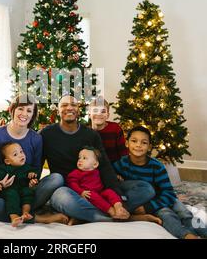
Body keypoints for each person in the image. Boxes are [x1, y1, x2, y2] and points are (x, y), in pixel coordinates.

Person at [40, 95, 156, 223]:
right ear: (58, 110)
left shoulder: (91, 134)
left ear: (79, 110)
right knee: (62, 198)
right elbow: (37, 164)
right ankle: (125, 217)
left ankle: (106, 212)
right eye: (64, 105)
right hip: (70, 191)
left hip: (97, 187)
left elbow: (105, 165)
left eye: (73, 105)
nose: (69, 108)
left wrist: (117, 200)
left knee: (146, 188)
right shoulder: (47, 134)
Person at [0, 95, 65, 222]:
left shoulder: (36, 139)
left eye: (29, 111)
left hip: (26, 191)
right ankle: (35, 217)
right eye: (20, 109)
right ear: (12, 110)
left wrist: (32, 180)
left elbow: (36, 169)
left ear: (33, 115)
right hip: (4, 192)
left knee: (57, 178)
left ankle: (16, 212)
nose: (24, 114)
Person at [113, 126, 207, 239]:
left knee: (184, 212)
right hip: (150, 203)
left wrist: (148, 207)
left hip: (162, 198)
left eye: (144, 142)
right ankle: (187, 235)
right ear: (127, 143)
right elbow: (110, 178)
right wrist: (115, 176)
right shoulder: (121, 164)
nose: (138, 145)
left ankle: (204, 231)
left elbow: (169, 193)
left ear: (149, 147)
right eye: (134, 141)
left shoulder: (156, 166)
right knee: (166, 215)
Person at [0, 142, 68, 226]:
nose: (21, 155)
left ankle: (26, 213)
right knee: (11, 195)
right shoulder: (4, 169)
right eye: (15, 154)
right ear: (7, 161)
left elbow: (35, 175)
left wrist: (33, 178)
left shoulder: (27, 167)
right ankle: (14, 216)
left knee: (28, 192)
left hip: (24, 190)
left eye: (21, 152)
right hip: (11, 191)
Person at [67, 147, 130, 221]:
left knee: (109, 192)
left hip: (100, 192)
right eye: (79, 158)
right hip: (87, 194)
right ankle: (111, 211)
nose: (80, 160)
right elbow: (72, 183)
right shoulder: (76, 173)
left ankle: (118, 207)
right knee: (92, 195)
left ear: (95, 164)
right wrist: (81, 192)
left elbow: (108, 177)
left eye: (84, 158)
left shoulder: (97, 171)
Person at [88, 96, 128, 163]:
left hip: (114, 166)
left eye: (103, 111)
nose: (99, 114)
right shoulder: (86, 132)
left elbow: (123, 152)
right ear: (89, 114)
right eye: (95, 110)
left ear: (108, 115)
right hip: (93, 168)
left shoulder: (115, 128)